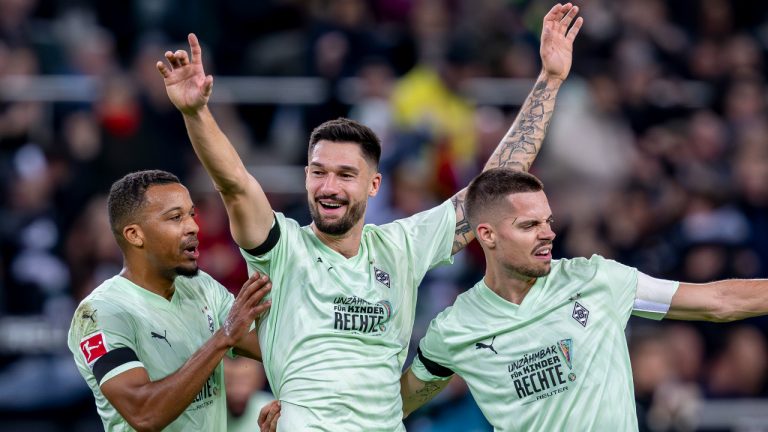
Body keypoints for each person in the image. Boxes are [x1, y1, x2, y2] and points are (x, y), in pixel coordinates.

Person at [156, 4, 582, 429]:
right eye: (319, 173)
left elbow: (497, 185)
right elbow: (234, 184)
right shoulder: (281, 249)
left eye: (345, 175)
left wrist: (550, 79)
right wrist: (196, 113)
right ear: (306, 178)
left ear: (374, 185)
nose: (329, 187)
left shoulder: (402, 247)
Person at [400, 167, 768, 431]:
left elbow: (718, 301)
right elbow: (397, 402)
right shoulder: (455, 328)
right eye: (529, 226)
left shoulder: (596, 279)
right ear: (487, 235)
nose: (548, 234)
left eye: (548, 221)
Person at [67, 170, 272, 431]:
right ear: (134, 235)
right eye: (176, 217)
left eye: (191, 214)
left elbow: (272, 349)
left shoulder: (201, 286)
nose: (193, 227)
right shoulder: (99, 313)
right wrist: (223, 338)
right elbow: (144, 414)